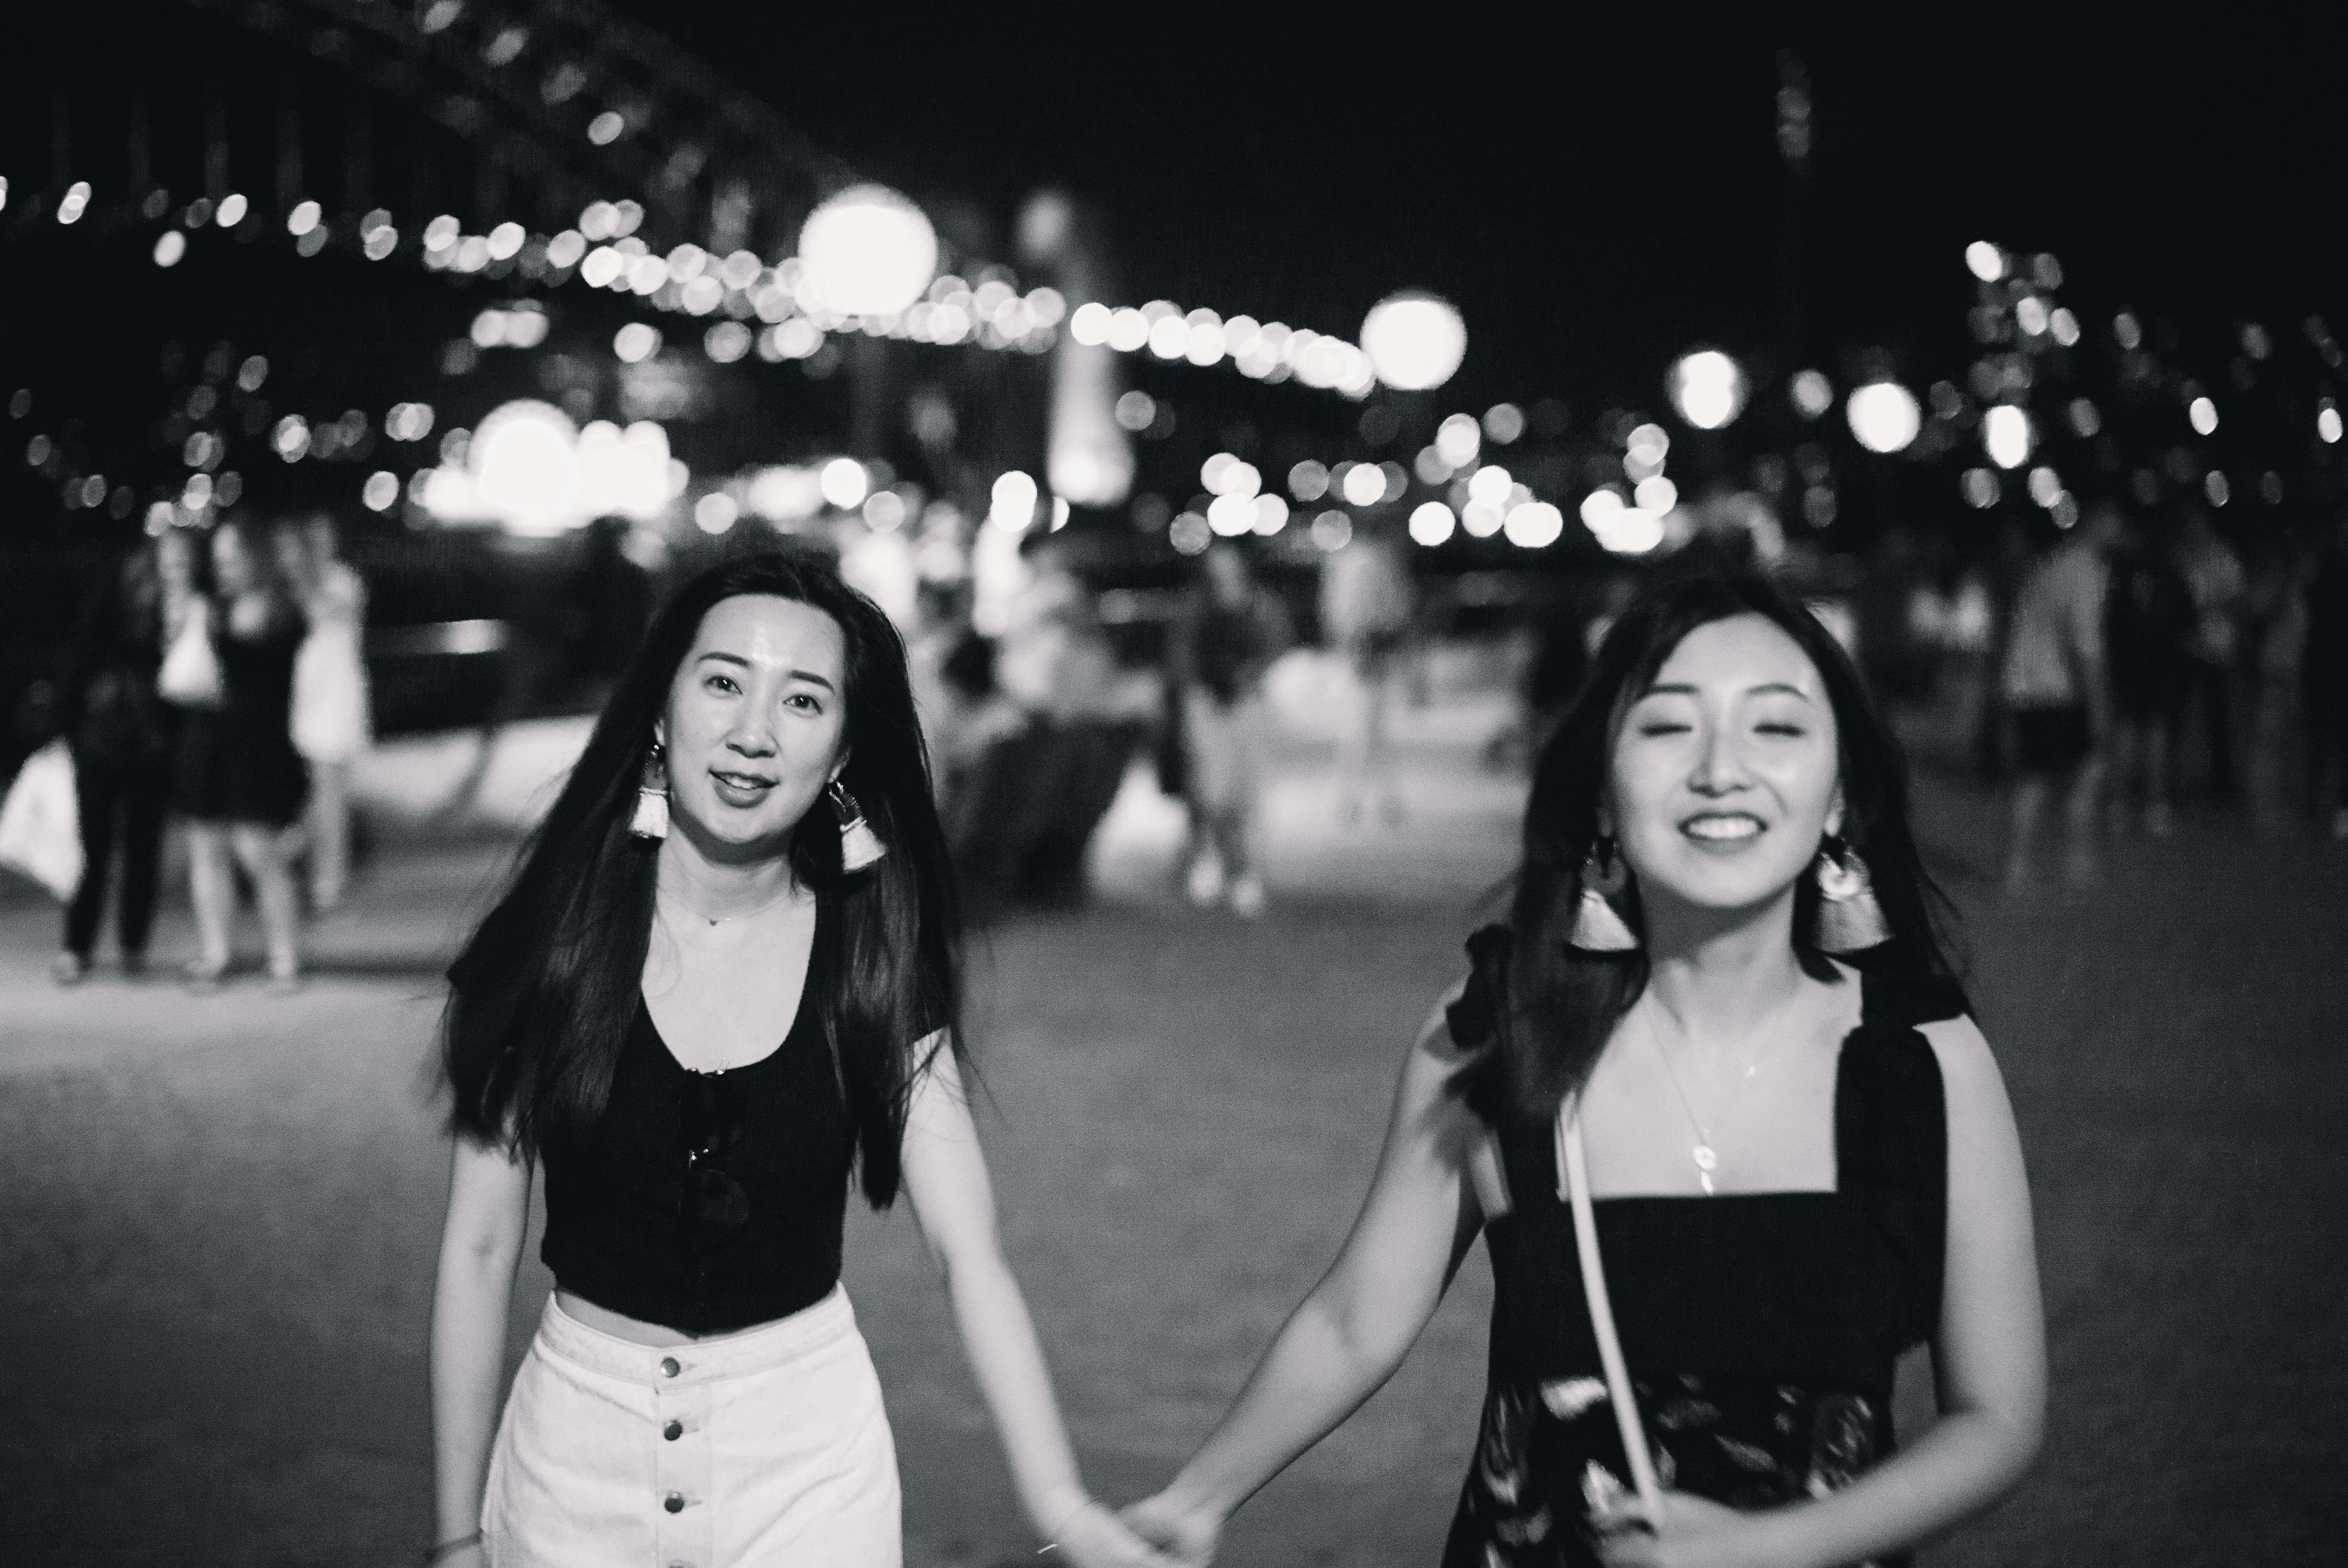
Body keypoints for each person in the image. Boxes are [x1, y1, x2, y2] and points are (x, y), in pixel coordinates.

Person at [1124, 568, 2043, 1568]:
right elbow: (1357, 1320)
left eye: (1775, 727)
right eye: (1669, 726)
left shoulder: (1925, 1061)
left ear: (1840, 798)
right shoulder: (1500, 1035)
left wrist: (1773, 1546)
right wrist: (1195, 1500)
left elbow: (1997, 1416)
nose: (1721, 769)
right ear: (1602, 790)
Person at [427, 550, 1170, 1568]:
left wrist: (1062, 1502)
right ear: (662, 708)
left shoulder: (873, 957)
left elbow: (969, 1250)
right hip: (569, 1469)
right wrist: (456, 1537)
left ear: (843, 751)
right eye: (723, 682)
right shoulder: (553, 947)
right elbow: (478, 1249)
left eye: (804, 700)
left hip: (809, 1468)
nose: (754, 731)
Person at [171, 518, 309, 993]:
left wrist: (219, 637)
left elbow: (271, 681)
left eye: (234, 557)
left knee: (259, 852)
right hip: (205, 742)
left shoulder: (283, 611)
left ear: (258, 556)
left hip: (256, 750)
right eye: (220, 559)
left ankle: (284, 956)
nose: (225, 567)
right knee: (206, 849)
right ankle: (217, 954)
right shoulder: (211, 608)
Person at [51, 533, 180, 983]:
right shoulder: (106, 615)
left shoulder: (180, 613)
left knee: (142, 850)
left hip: (149, 746)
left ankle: (131, 946)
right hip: (103, 743)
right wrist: (63, 729)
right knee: (95, 849)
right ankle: (79, 944)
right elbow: (77, 666)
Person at [1168, 542, 1291, 917]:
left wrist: (1248, 676)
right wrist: (1205, 689)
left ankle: (1238, 870)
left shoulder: (1262, 604)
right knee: (1212, 789)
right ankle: (1218, 866)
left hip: (1248, 704)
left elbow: (1276, 646)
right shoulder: (1196, 606)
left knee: (1245, 791)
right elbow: (1182, 657)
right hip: (1207, 705)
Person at [1998, 510, 2111, 889]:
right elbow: (2085, 642)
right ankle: (2076, 860)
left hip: (2024, 684)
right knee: (2083, 770)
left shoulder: (2048, 565)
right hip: (2058, 687)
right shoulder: (2085, 569)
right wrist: (2098, 702)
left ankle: (2017, 865)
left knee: (2033, 774)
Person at [278, 512, 372, 912]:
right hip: (310, 695)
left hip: (337, 696)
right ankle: (305, 863)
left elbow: (336, 608)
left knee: (330, 793)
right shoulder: (295, 585)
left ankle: (327, 879)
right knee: (320, 793)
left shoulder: (342, 581)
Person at [2101, 508, 2193, 836]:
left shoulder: (2121, 574)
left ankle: (2127, 807)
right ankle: (2151, 808)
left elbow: (2109, 623)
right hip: (2156, 667)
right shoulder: (2165, 573)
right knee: (2152, 736)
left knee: (2138, 736)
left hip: (2138, 667)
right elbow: (2188, 620)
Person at [1319, 530, 1415, 825]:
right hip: (1364, 656)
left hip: (1369, 655)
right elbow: (1388, 611)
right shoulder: (1366, 564)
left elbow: (1340, 614)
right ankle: (1359, 800)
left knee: (1370, 732)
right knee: (1363, 731)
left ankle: (1371, 800)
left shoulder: (1352, 563)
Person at [2174, 505, 2245, 804]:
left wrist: (2212, 604)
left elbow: (2239, 598)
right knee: (2181, 716)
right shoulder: (2181, 559)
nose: (2194, 530)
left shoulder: (2223, 556)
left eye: (2199, 524)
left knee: (2220, 717)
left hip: (2218, 649)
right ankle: (2178, 780)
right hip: (2188, 647)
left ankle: (2223, 780)